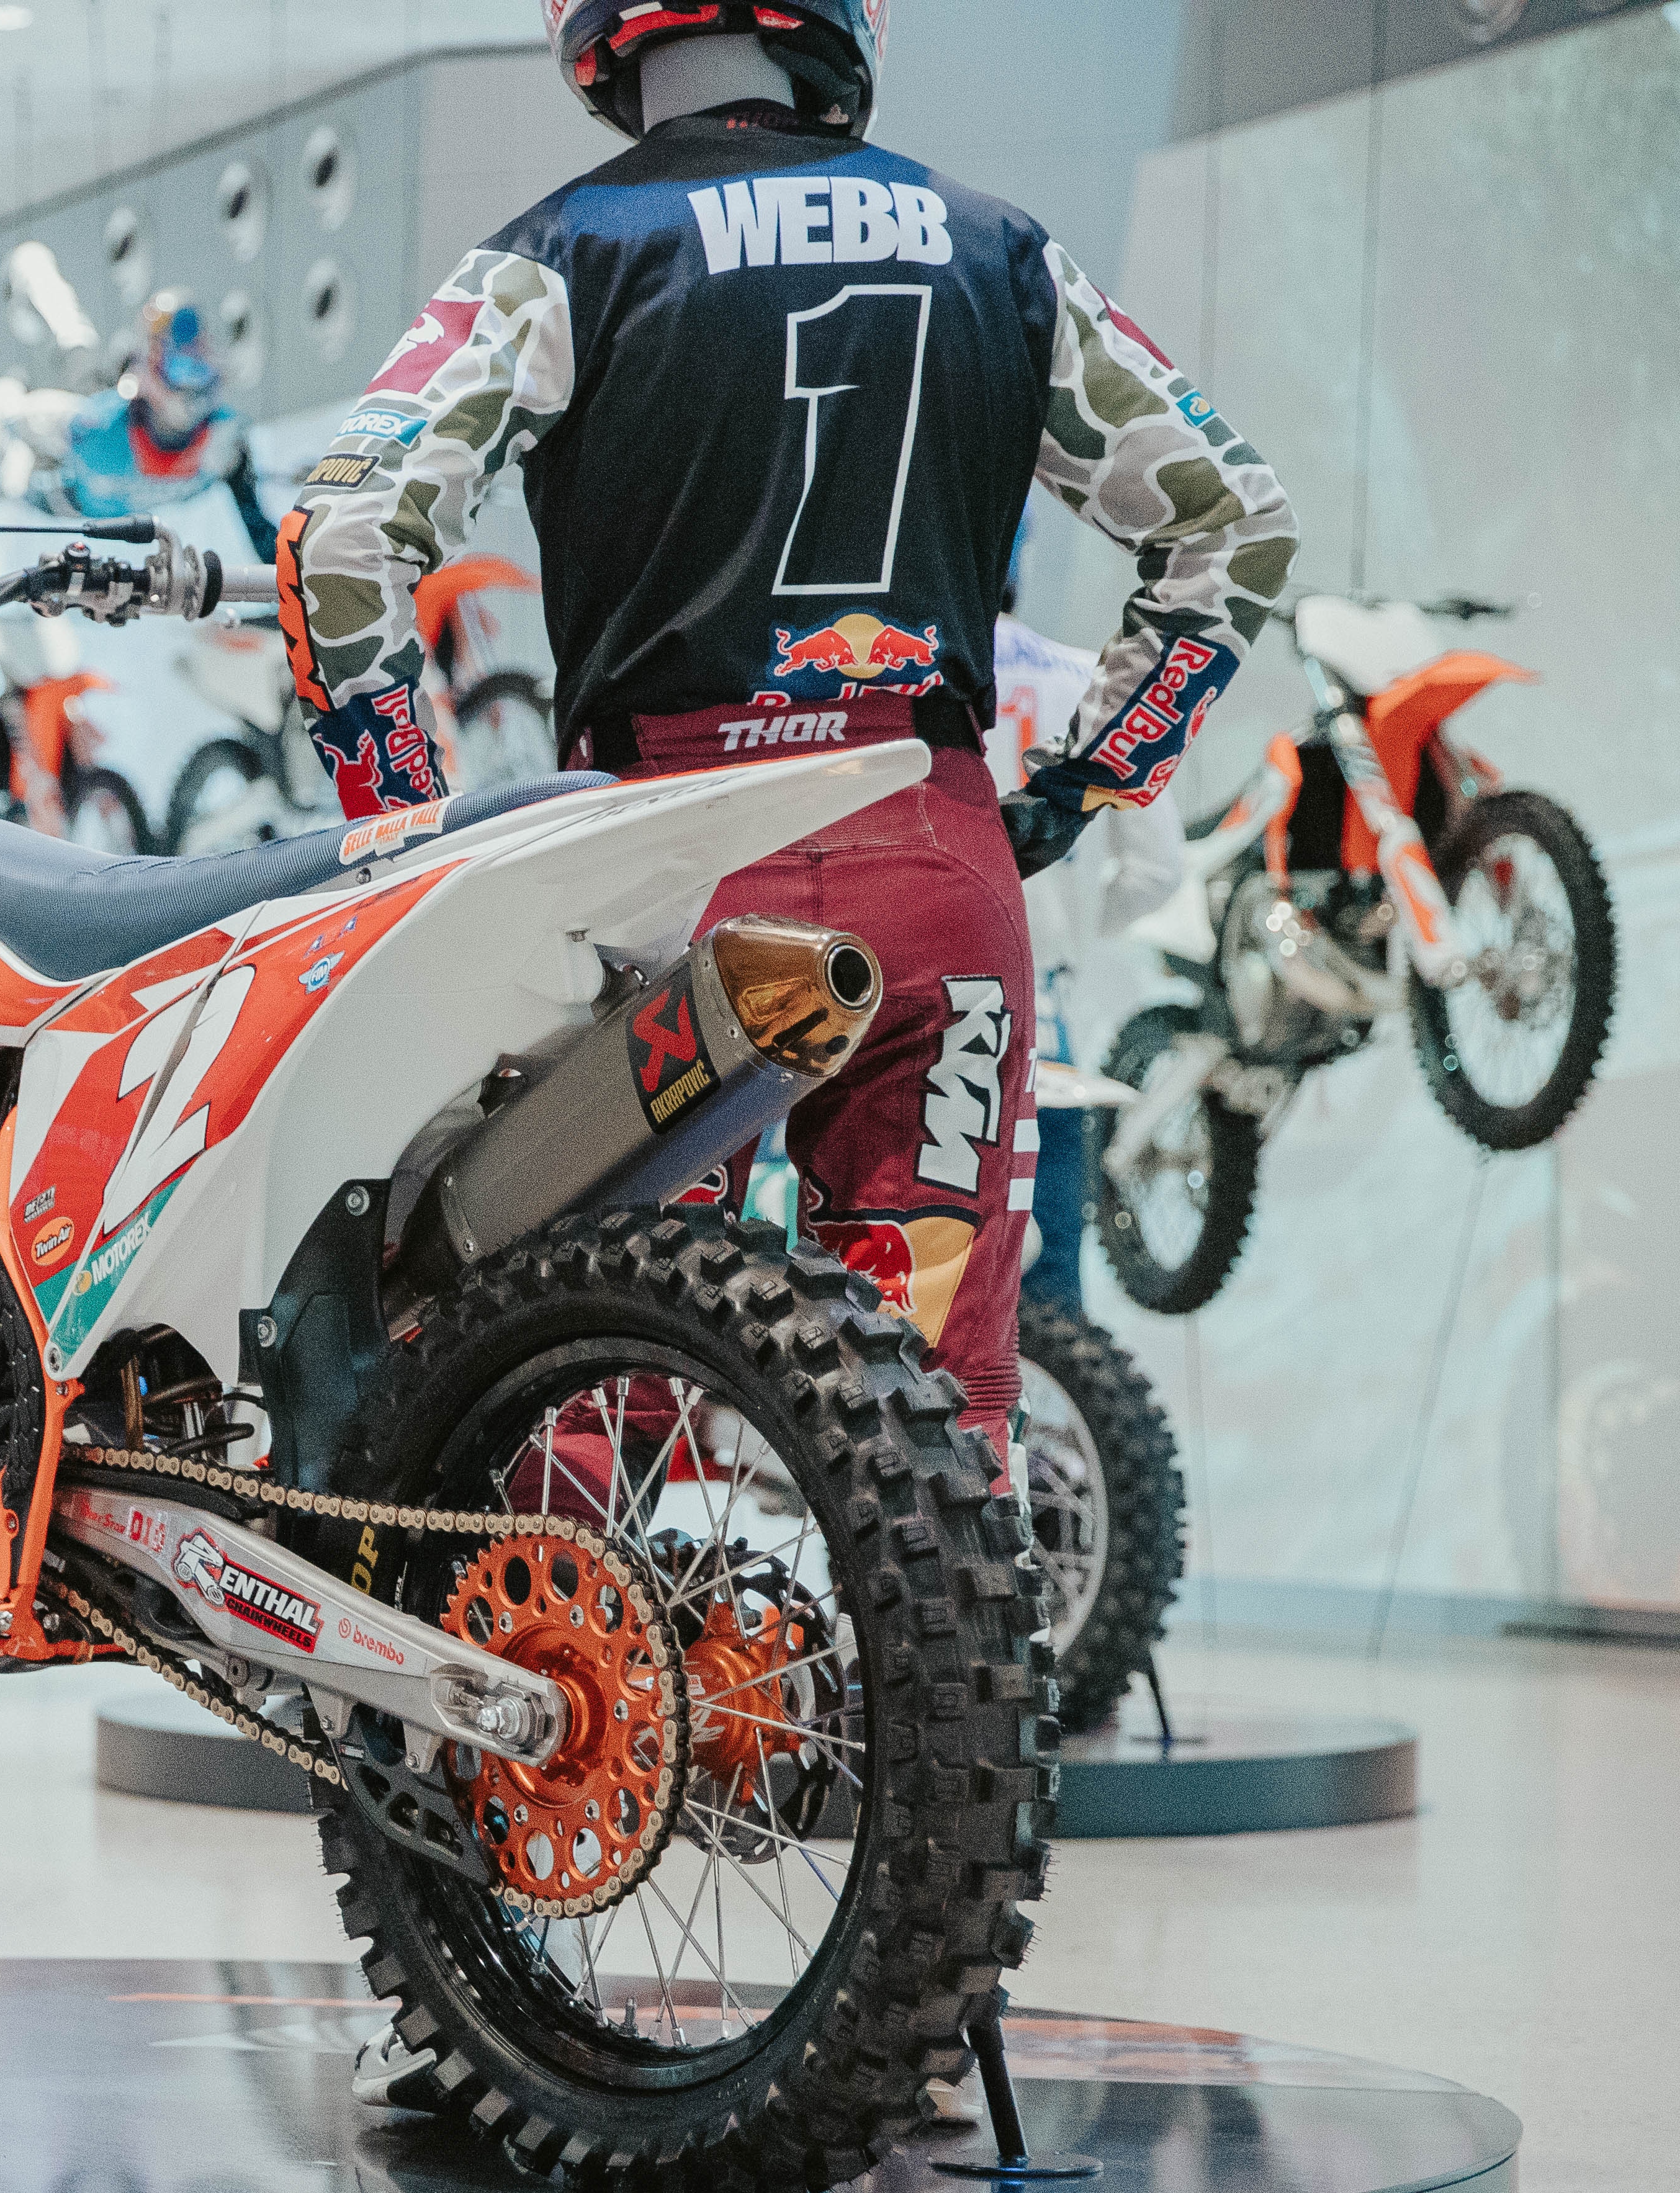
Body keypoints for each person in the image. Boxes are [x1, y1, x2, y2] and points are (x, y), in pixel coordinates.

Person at [281, 0, 1294, 1451]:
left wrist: (411, 826)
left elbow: (339, 538)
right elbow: (1234, 522)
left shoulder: (560, 251)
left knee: (588, 1405)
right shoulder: (1003, 251)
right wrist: (1087, 778)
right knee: (934, 1425)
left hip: (654, 872)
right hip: (928, 843)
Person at [990, 606, 1185, 1312]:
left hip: (904, 1012)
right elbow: (1157, 871)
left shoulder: (891, 671)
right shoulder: (1090, 676)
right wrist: (1067, 933)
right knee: (1048, 1320)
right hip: (1039, 1023)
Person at [0, 287, 281, 561]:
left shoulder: (226, 444)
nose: (190, 389)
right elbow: (10, 416)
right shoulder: (94, 425)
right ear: (146, 373)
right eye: (178, 367)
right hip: (57, 505)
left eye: (201, 366)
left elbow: (261, 532)